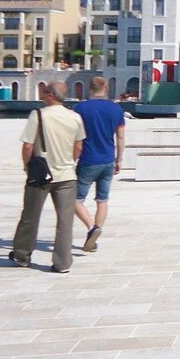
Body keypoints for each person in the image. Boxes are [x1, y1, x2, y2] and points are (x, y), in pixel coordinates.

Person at [9, 81, 85, 273]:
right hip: (67, 175)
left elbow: (28, 146)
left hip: (41, 174)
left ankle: (22, 255)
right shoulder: (75, 117)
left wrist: (27, 166)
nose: (42, 94)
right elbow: (78, 146)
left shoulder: (38, 115)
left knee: (30, 216)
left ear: (51, 95)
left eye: (44, 91)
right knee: (65, 220)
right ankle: (62, 262)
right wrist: (69, 162)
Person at [73, 76, 125, 253]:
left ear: (89, 88)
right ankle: (95, 234)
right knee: (102, 200)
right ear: (106, 89)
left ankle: (91, 228)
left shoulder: (81, 108)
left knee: (75, 200)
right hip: (108, 159)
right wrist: (119, 159)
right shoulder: (116, 109)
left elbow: (75, 136)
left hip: (88, 159)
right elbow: (120, 137)